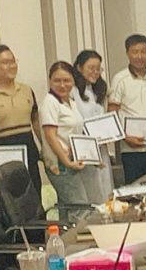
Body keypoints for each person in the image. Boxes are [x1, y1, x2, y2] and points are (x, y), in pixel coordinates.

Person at [109, 34, 146, 183]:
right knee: (135, 189)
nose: (139, 56)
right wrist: (125, 137)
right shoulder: (120, 79)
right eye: (135, 52)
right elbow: (112, 112)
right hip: (131, 149)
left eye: (143, 51)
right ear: (127, 53)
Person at [0, 45, 42, 197]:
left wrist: (44, 149)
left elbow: (35, 121)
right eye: (5, 62)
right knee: (7, 201)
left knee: (34, 197)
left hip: (28, 152)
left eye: (13, 61)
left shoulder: (27, 90)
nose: (11, 66)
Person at [39, 61, 91, 206]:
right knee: (79, 208)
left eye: (67, 80)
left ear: (73, 81)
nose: (62, 85)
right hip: (61, 164)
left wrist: (92, 155)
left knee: (67, 208)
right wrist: (67, 162)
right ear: (50, 81)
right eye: (57, 80)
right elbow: (50, 136)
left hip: (72, 160)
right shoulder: (50, 102)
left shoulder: (70, 102)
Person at [71, 50, 113, 204]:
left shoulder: (98, 90)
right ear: (79, 68)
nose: (95, 72)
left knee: (105, 189)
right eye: (91, 68)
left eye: (98, 69)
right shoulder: (73, 91)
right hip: (85, 148)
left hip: (101, 147)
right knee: (91, 191)